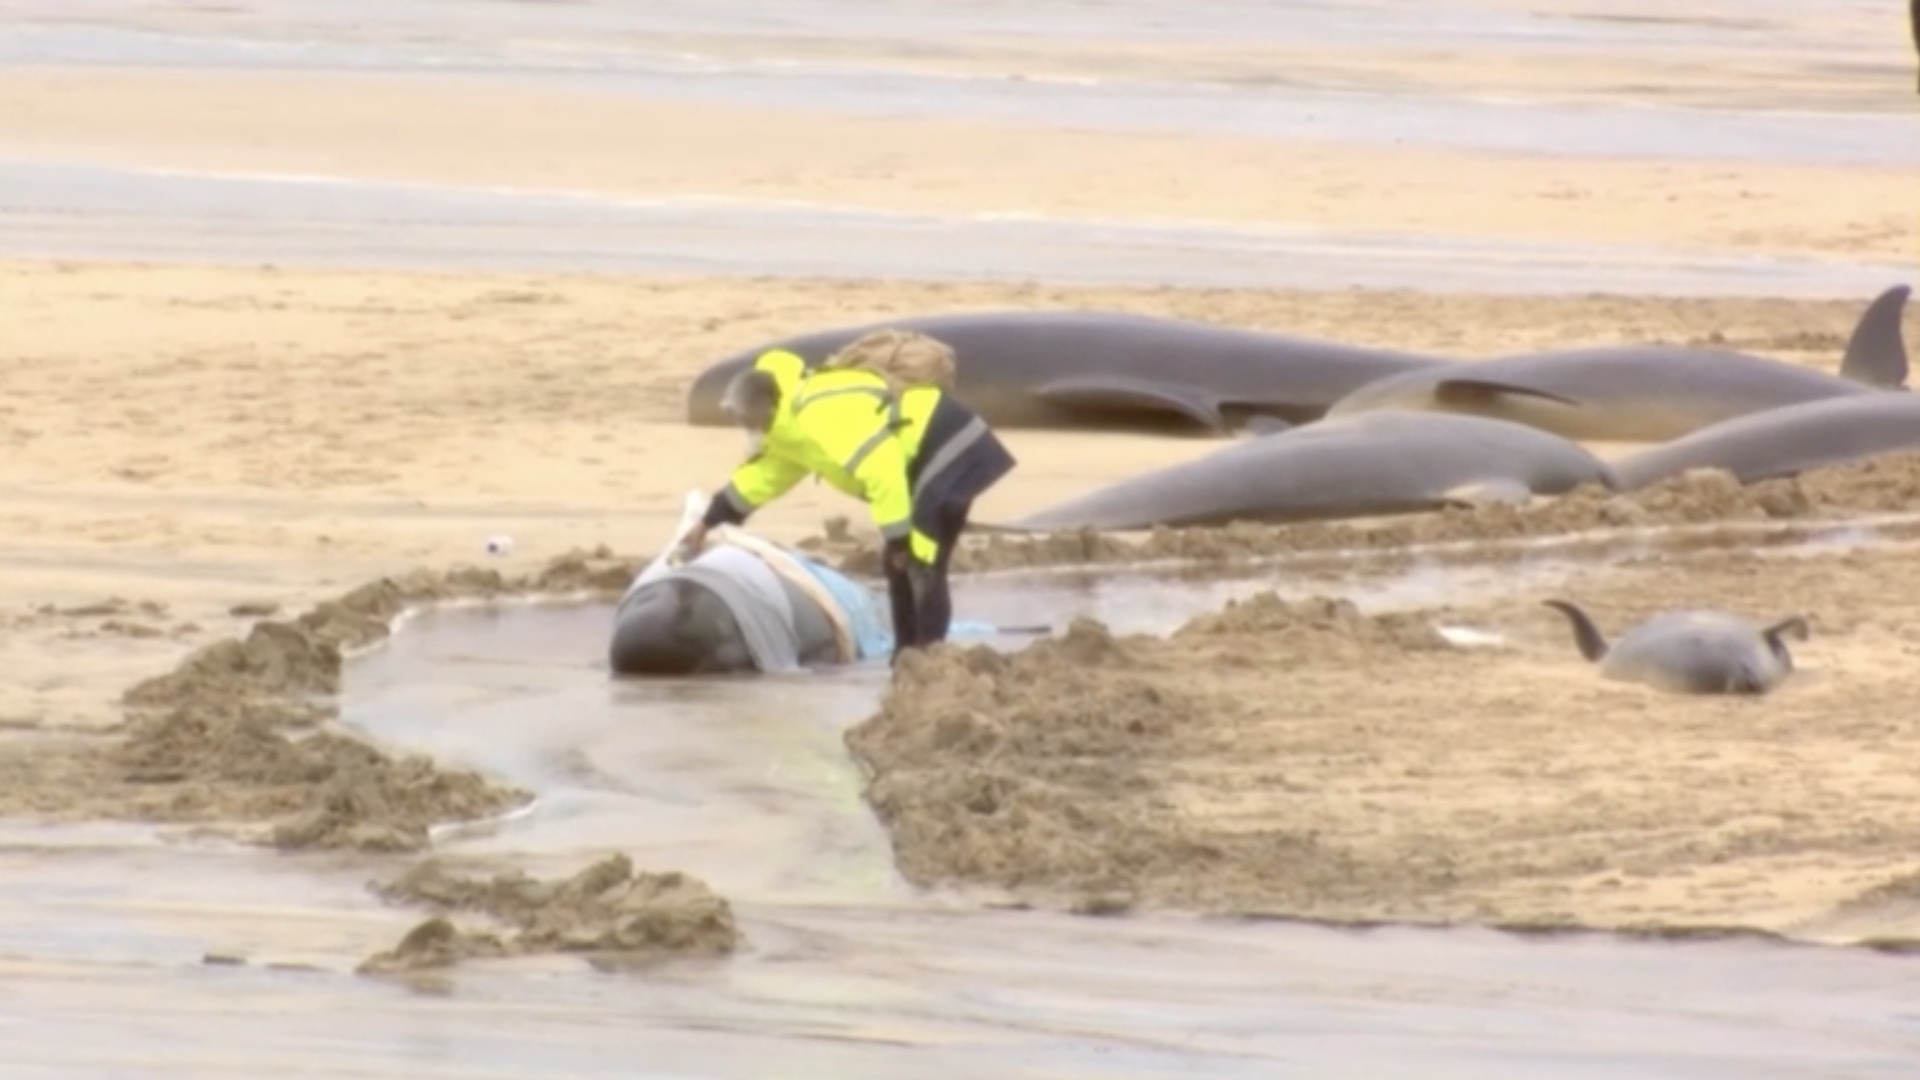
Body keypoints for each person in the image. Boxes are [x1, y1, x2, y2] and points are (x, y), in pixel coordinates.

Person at [677, 330, 1017, 663]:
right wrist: (707, 522)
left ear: (768, 407)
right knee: (901, 564)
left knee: (921, 560)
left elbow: (883, 469)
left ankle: (930, 662)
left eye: (748, 418)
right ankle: (906, 659)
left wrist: (898, 541)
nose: (747, 427)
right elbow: (759, 481)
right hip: (918, 463)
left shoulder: (817, 414)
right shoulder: (790, 433)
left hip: (947, 446)